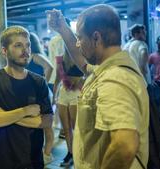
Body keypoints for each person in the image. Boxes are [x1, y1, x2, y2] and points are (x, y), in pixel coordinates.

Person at [47, 4, 149, 169]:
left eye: (80, 38)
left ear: (96, 38)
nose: (78, 44)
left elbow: (125, 145)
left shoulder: (115, 79)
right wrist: (63, 29)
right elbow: (82, 62)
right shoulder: (106, 69)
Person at [0, 26, 53, 169]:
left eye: (28, 45)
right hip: (2, 162)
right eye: (18, 45)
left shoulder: (38, 82)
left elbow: (47, 121)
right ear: (4, 51)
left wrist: (3, 116)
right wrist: (25, 111)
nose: (25, 50)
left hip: (33, 162)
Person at [26, 32, 54, 165]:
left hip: (42, 95)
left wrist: (42, 84)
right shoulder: (26, 57)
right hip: (31, 96)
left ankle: (47, 155)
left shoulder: (35, 56)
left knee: (47, 125)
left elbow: (50, 67)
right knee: (37, 125)